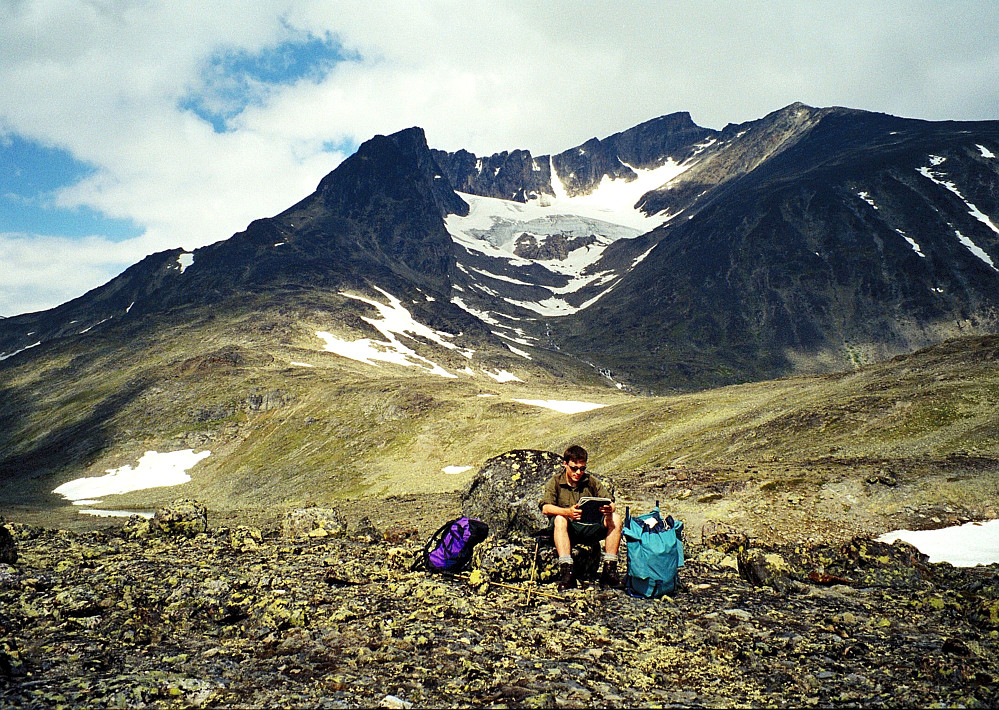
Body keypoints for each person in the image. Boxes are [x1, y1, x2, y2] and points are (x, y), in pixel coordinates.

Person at [540, 445, 623, 591]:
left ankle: (609, 570)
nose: (578, 472)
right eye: (574, 468)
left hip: (590, 527)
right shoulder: (555, 482)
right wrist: (567, 512)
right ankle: (567, 572)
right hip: (567, 529)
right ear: (565, 464)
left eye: (582, 468)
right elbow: (546, 508)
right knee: (560, 518)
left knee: (616, 518)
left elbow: (611, 502)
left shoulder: (590, 481)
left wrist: (609, 509)